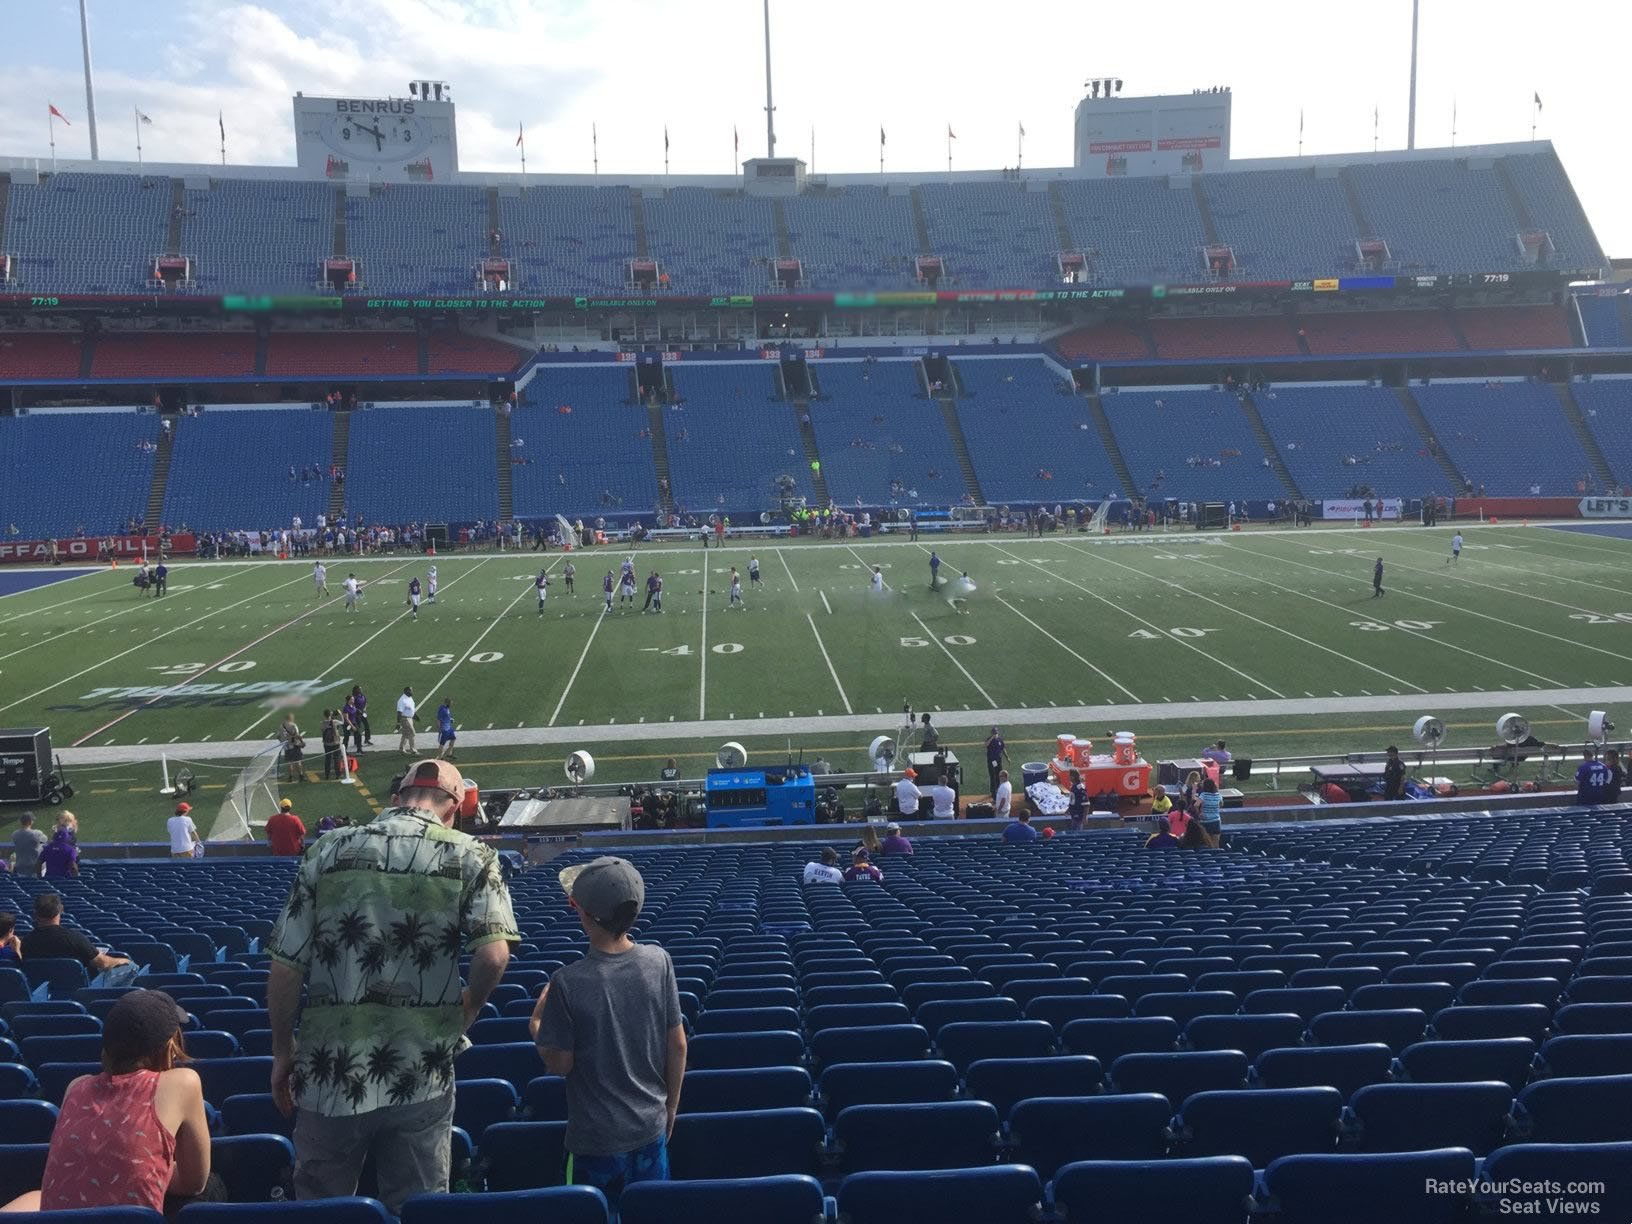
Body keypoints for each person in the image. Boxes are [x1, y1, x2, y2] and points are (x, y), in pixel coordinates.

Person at [267, 758, 518, 1215]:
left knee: (325, 1210)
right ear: (455, 805)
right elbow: (494, 954)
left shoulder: (328, 849)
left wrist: (283, 1051)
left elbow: (286, 967)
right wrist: (469, 1009)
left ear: (397, 797)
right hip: (421, 1070)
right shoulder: (471, 854)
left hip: (329, 1071)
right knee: (417, 1208)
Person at [531, 856, 682, 1202]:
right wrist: (670, 1108)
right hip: (651, 1129)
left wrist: (536, 1024)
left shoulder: (566, 983)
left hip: (593, 1143)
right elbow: (678, 1045)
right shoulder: (660, 961)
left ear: (585, 914)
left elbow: (558, 1064)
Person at [3, 989, 213, 1215]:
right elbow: (194, 1183)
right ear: (169, 1046)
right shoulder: (183, 1082)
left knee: (36, 1196)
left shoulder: (75, 1087)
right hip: (133, 1218)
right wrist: (150, 1169)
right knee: (211, 1186)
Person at [21, 893, 133, 981]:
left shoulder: (26, 942)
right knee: (131, 967)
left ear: (35, 914)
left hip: (40, 988)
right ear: (61, 910)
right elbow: (103, 963)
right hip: (80, 990)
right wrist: (123, 960)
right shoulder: (74, 938)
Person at [11, 811, 45, 877]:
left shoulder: (15, 834)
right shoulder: (37, 833)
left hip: (20, 865)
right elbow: (44, 841)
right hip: (34, 867)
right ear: (30, 822)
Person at [985, 726, 1008, 798]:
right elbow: (986, 745)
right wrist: (992, 738)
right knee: (993, 776)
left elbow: (1003, 749)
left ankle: (998, 790)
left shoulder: (1000, 740)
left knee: (999, 775)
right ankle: (993, 793)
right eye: (994, 733)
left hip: (998, 760)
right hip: (991, 761)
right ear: (992, 733)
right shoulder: (989, 739)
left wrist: (1007, 757)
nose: (995, 734)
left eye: (996, 733)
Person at [320, 710, 343, 780]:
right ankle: (338, 774)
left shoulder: (322, 723)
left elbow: (322, 731)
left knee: (327, 759)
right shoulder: (334, 721)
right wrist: (340, 714)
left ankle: (327, 775)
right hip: (335, 743)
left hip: (326, 743)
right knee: (337, 759)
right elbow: (343, 722)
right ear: (330, 714)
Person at [396, 686, 418, 755]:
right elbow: (399, 712)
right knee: (412, 733)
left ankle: (401, 749)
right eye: (410, 690)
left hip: (410, 718)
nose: (412, 692)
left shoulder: (409, 698)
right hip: (405, 718)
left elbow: (411, 708)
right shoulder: (402, 700)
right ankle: (413, 750)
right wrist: (398, 723)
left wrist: (415, 716)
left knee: (405, 734)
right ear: (406, 691)